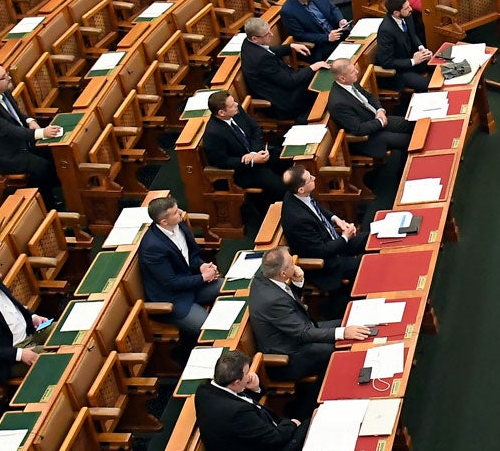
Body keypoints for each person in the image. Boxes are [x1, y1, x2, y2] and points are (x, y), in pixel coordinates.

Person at [248, 248, 369, 399]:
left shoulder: (263, 278)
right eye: (291, 264)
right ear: (283, 273)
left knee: (347, 322)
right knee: (339, 348)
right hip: (289, 356)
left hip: (299, 331)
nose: (295, 265)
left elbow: (289, 304)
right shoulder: (272, 300)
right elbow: (303, 332)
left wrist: (297, 282)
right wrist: (343, 333)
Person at [0, 63, 65, 204]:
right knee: (40, 166)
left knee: (53, 151)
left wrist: (30, 120)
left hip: (19, 141)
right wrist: (41, 133)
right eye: (4, 77)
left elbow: (16, 115)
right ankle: (44, 202)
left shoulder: (3, 91)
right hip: (4, 154)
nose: (9, 78)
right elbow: (9, 130)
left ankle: (54, 187)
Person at [135, 197, 220, 337]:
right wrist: (203, 277)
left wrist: (201, 266)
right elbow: (172, 283)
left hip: (192, 283)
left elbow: (191, 255)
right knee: (211, 330)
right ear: (164, 221)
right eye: (175, 212)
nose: (181, 212)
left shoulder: (179, 224)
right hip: (174, 299)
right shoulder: (153, 247)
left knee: (234, 287)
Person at [202, 89, 287, 224]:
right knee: (279, 185)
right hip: (241, 171)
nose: (236, 105)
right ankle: (275, 216)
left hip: (256, 153)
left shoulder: (237, 111)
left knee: (287, 158)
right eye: (232, 105)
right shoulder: (213, 133)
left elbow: (255, 129)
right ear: (221, 113)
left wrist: (254, 153)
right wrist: (251, 160)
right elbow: (221, 161)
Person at [281, 165, 365, 301]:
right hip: (327, 262)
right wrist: (345, 237)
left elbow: (316, 208)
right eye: (310, 178)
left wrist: (336, 220)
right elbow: (321, 251)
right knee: (365, 264)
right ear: (301, 189)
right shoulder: (298, 220)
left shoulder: (298, 193)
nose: (314, 178)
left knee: (369, 239)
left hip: (334, 241)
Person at [239, 16, 316, 120]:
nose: (271, 34)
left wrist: (290, 47)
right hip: (281, 103)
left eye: (270, 30)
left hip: (277, 86)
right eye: (267, 34)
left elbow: (268, 50)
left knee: (312, 77)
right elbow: (290, 81)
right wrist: (312, 68)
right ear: (255, 38)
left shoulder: (248, 42)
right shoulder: (262, 59)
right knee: (314, 82)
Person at [329, 69, 414, 163]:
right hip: (368, 138)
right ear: (342, 78)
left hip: (375, 119)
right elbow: (358, 129)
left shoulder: (350, 82)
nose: (357, 72)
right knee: (409, 140)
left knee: (412, 124)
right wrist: (380, 122)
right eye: (352, 71)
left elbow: (369, 97)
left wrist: (380, 110)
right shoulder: (339, 103)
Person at [374, 0, 434, 94]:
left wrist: (422, 49)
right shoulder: (386, 30)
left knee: (438, 63)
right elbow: (386, 62)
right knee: (429, 85)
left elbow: (413, 35)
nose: (410, 9)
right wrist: (413, 61)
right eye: (406, 8)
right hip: (398, 71)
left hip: (410, 58)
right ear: (396, 13)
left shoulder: (407, 16)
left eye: (409, 5)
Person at [279, 0, 351, 50]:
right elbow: (300, 35)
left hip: (338, 32)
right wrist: (327, 37)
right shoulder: (288, 11)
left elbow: (332, 8)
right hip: (321, 45)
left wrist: (340, 20)